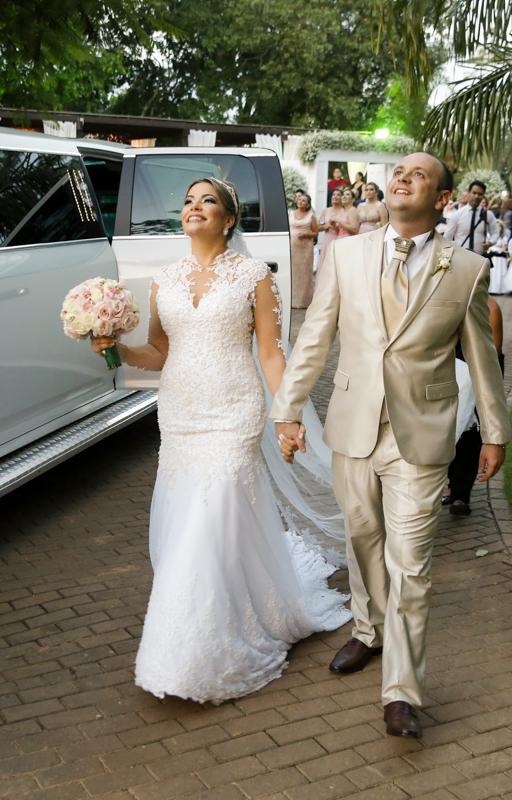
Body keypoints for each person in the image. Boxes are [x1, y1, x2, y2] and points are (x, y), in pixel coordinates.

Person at [271, 152, 510, 739]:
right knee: (362, 538)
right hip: (353, 422)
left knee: (412, 562)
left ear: (442, 199)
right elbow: (315, 337)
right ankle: (367, 631)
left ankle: (402, 690)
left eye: (419, 175)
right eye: (399, 171)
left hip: (422, 433)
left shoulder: (468, 269)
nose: (403, 178)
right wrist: (288, 409)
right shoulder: (346, 254)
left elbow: (482, 358)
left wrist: (495, 430)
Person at [90, 177, 351, 704]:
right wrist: (114, 349)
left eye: (207, 201)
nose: (194, 207)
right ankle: (211, 620)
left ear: (229, 219)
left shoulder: (254, 275)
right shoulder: (164, 279)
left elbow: (273, 354)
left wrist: (288, 412)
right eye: (188, 200)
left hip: (235, 408)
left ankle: (196, 651)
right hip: (181, 410)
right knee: (191, 518)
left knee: (213, 513)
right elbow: (160, 352)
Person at [443, 297, 505, 516]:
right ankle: (449, 486)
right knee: (446, 429)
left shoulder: (489, 306)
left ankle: (461, 494)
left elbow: (493, 354)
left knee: (469, 435)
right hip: (446, 371)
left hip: (476, 373)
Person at [444, 180, 499, 255]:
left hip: (480, 259)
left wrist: (490, 242)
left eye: (480, 194)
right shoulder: (457, 214)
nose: (476, 196)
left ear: (483, 196)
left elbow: (495, 232)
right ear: (469, 194)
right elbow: (447, 237)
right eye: (474, 193)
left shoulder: (488, 214)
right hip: (460, 257)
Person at [290, 193, 320, 308]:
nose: (300, 202)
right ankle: (292, 300)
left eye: (303, 201)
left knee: (304, 274)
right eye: (299, 199)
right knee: (293, 271)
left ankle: (304, 301)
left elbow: (316, 233)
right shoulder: (290, 214)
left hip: (305, 247)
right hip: (293, 245)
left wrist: (306, 235)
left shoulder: (311, 216)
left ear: (308, 204)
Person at [318, 189, 348, 272]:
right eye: (334, 194)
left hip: (338, 238)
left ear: (342, 197)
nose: (335, 196)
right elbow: (318, 227)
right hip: (327, 239)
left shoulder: (344, 211)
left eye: (338, 195)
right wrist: (325, 227)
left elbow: (344, 229)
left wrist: (335, 226)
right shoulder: (326, 210)